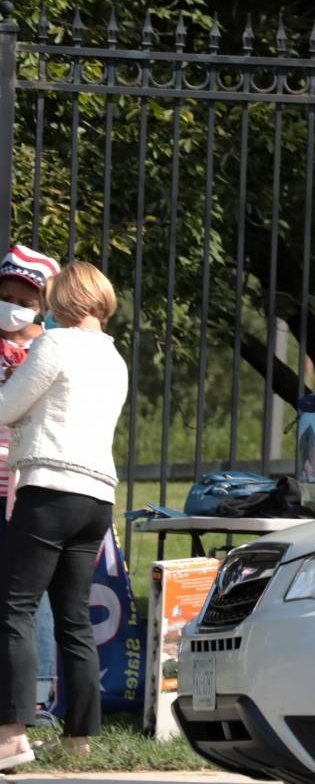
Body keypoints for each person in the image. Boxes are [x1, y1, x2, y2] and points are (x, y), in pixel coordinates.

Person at [0, 261, 127, 769]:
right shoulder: (115, 357)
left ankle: (10, 736)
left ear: (64, 301)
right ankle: (81, 740)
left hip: (50, 487)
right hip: (97, 495)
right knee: (73, 618)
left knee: (14, 609)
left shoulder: (53, 345)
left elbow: (7, 408)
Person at [0, 246, 61, 726]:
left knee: (29, 594)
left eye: (22, 296)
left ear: (42, 303)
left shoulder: (51, 350)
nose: (11, 304)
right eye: (3, 294)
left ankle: (36, 700)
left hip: (29, 484)